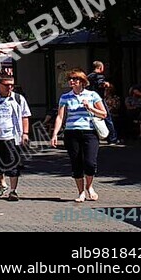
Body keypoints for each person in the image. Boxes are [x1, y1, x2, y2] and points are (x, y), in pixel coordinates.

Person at [51, 69, 108, 202]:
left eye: (74, 79)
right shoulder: (65, 97)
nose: (71, 81)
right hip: (71, 132)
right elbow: (60, 116)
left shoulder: (92, 95)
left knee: (90, 163)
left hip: (89, 132)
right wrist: (54, 134)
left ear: (82, 82)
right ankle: (81, 192)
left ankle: (89, 186)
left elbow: (104, 114)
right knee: (76, 163)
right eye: (70, 79)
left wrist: (90, 108)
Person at [87, 60, 120, 144]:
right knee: (107, 117)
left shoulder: (89, 76)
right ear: (100, 68)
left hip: (89, 99)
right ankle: (112, 138)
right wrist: (106, 84)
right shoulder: (99, 76)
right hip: (99, 99)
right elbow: (101, 84)